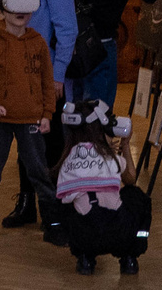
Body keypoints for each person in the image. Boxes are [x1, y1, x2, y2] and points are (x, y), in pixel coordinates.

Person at [0, 0, 78, 237]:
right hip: (22, 72)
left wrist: (57, 77)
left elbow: (67, 30)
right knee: (25, 140)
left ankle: (54, 214)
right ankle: (27, 205)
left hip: (46, 76)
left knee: (49, 146)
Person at [0, 0, 59, 250]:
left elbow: (47, 81)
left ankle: (54, 226)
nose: (20, 13)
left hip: (31, 121)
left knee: (39, 172)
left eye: (25, 7)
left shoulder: (38, 43)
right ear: (1, 11)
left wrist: (47, 114)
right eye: (13, 6)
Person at [51, 99, 145, 277]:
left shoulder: (67, 162)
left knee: (64, 202)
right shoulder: (111, 159)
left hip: (86, 236)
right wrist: (124, 145)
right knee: (137, 196)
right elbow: (131, 179)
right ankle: (129, 257)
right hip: (118, 234)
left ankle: (85, 258)